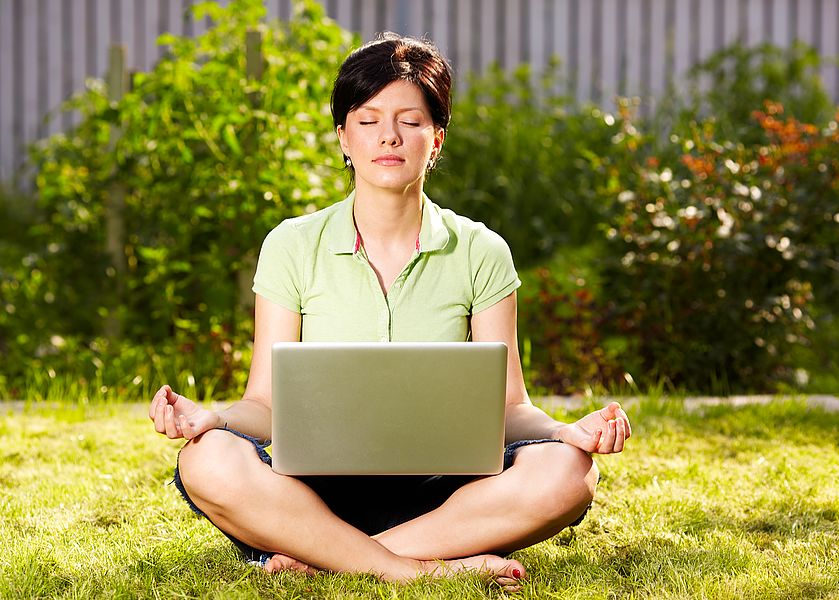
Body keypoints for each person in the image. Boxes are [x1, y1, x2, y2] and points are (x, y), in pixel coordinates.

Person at [149, 32, 631, 593]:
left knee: (570, 474)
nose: (389, 137)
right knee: (206, 460)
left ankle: (331, 556)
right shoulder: (291, 245)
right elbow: (265, 405)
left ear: (437, 139)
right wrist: (215, 420)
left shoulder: (481, 250)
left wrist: (565, 431)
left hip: (451, 495)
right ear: (343, 138)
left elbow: (508, 408)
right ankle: (415, 568)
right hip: (313, 491)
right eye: (369, 118)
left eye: (411, 120)